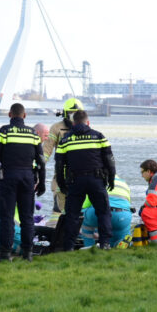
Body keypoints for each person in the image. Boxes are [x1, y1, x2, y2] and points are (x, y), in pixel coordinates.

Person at [0, 103, 45, 261]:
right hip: (27, 177)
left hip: (8, 177)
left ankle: (5, 254)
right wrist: (42, 182)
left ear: (10, 115)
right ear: (24, 115)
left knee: (6, 217)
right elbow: (41, 160)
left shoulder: (4, 131)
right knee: (27, 217)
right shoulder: (33, 134)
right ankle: (27, 253)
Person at [55, 109, 115, 250]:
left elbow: (58, 165)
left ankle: (69, 246)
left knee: (72, 215)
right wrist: (111, 178)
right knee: (103, 212)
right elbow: (110, 160)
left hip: (75, 182)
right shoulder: (99, 136)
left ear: (73, 123)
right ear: (87, 122)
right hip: (96, 180)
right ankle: (105, 243)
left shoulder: (65, 140)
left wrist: (61, 183)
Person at [44, 98, 84, 213]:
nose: (73, 117)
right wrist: (37, 166)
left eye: (76, 114)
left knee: (79, 209)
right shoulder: (56, 128)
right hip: (62, 174)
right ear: (65, 113)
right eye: (71, 113)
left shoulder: (86, 130)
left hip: (80, 174)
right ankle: (58, 228)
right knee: (59, 209)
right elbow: (46, 149)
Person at [80, 174, 133, 248]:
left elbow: (85, 205)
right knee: (120, 231)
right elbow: (127, 204)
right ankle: (119, 243)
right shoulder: (124, 184)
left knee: (86, 220)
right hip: (122, 216)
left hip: (100, 214)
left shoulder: (96, 181)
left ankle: (89, 246)